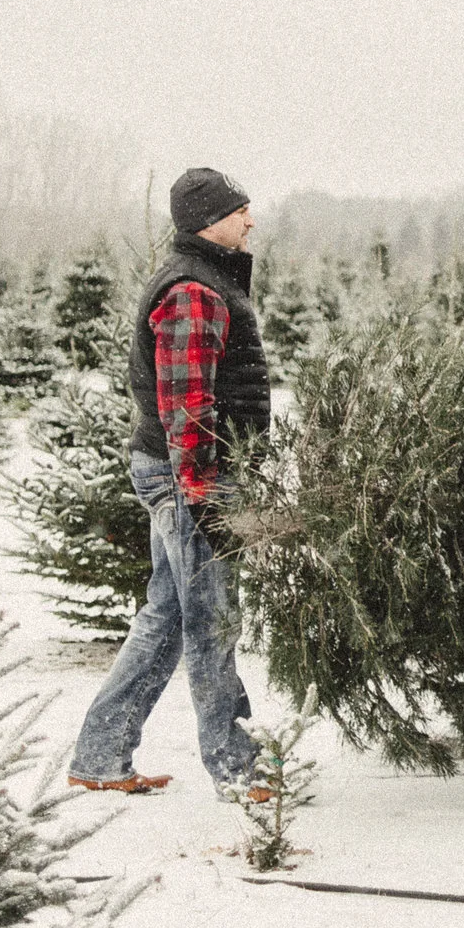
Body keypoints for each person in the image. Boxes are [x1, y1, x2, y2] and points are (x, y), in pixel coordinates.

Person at [68, 168, 271, 797]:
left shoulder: (204, 279)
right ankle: (237, 769)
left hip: (181, 474)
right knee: (212, 619)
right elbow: (186, 403)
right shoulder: (194, 290)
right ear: (210, 219)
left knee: (167, 614)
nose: (250, 220)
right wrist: (203, 489)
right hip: (191, 477)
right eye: (241, 210)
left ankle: (99, 757)